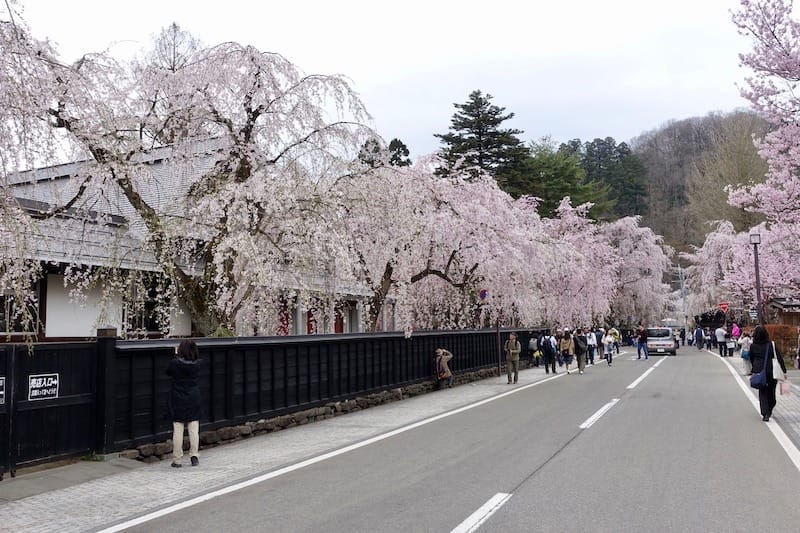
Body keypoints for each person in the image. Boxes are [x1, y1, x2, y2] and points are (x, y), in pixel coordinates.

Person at [167, 339, 202, 468]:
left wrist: (175, 355)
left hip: (178, 396)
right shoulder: (198, 364)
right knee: (193, 427)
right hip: (194, 396)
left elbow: (168, 372)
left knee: (178, 427)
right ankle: (194, 455)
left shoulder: (175, 363)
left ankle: (177, 459)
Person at [749, 326, 787, 422]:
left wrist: (754, 368)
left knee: (762, 392)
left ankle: (765, 413)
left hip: (759, 371)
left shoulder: (753, 346)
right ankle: (770, 408)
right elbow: (779, 358)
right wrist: (784, 371)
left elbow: (751, 358)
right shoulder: (771, 344)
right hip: (771, 371)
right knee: (771, 391)